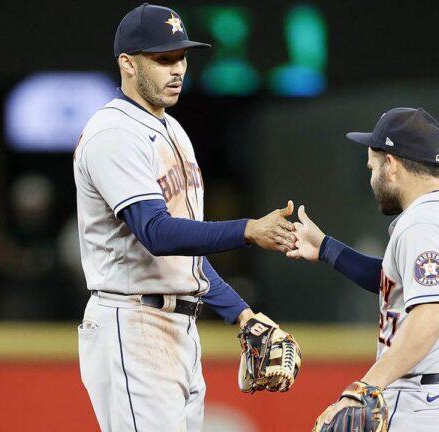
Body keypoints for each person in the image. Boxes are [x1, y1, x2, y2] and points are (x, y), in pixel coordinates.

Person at [72, 4, 297, 431]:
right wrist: (249, 230)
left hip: (176, 328)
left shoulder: (171, 129)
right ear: (128, 64)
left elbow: (185, 254)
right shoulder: (114, 133)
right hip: (132, 322)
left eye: (181, 57)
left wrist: (242, 314)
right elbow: (157, 233)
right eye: (162, 59)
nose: (177, 69)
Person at [287, 108, 439, 431]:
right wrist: (326, 248)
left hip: (430, 404)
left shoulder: (422, 223)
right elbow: (404, 282)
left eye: (372, 166)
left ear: (391, 165)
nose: (370, 176)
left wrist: (364, 388)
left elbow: (429, 315)